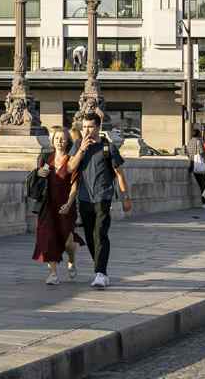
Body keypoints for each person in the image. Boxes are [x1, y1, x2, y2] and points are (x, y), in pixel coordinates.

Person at [69, 111, 131, 289]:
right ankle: (99, 269)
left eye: (90, 127)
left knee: (100, 233)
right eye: (85, 127)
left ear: (98, 127)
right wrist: (81, 150)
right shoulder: (78, 144)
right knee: (90, 236)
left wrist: (125, 197)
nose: (87, 130)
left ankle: (101, 273)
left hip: (103, 197)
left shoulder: (108, 147)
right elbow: (70, 167)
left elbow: (119, 174)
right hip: (84, 197)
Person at [32, 123, 81, 283]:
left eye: (63, 139)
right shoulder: (47, 158)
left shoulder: (71, 160)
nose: (60, 141)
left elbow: (75, 185)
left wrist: (69, 203)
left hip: (65, 205)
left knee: (68, 242)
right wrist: (39, 172)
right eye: (57, 138)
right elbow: (39, 177)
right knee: (49, 239)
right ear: (52, 141)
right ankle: (52, 274)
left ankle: (71, 259)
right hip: (48, 205)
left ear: (68, 141)